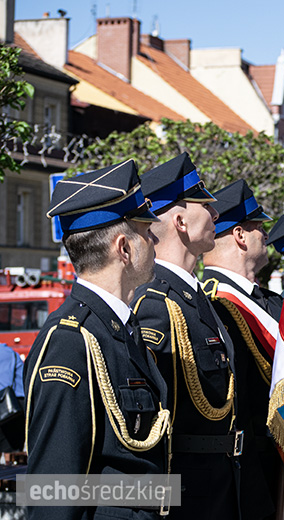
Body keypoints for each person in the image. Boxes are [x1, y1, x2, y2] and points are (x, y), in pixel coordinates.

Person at [24, 160, 170, 519]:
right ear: (124, 248)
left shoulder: (120, 330)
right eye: (146, 231)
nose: (154, 241)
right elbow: (53, 492)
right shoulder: (71, 342)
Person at [201, 180, 284, 520]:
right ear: (240, 235)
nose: (264, 234)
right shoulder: (213, 303)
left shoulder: (270, 301)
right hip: (258, 468)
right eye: (258, 227)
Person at [132, 153, 240, 518]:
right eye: (205, 205)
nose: (217, 214)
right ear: (179, 221)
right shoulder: (155, 303)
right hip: (188, 494)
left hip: (224, 484)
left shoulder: (198, 300)